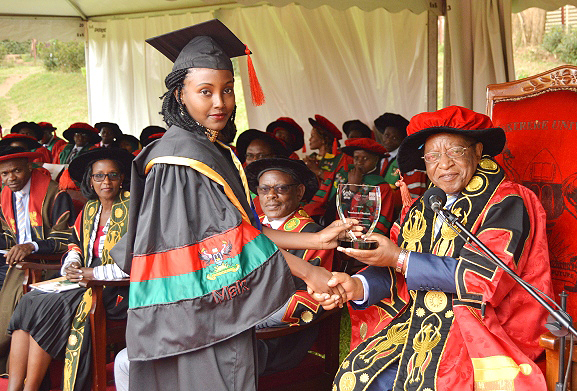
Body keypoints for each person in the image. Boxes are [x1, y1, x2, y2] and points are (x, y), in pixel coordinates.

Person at [110, 19, 350, 391]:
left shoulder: (208, 148)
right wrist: (309, 272)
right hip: (197, 315)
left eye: (227, 90)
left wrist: (317, 241)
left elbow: (242, 230)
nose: (220, 102)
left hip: (207, 308)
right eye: (205, 91)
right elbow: (225, 244)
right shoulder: (181, 159)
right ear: (180, 95)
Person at [314, 106, 553, 391]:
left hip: (481, 328)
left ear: (478, 152)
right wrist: (357, 285)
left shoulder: (507, 203)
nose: (444, 165)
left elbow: (483, 279)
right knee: (356, 377)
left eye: (455, 152)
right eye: (433, 156)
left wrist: (399, 257)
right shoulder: (424, 206)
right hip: (419, 323)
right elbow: (397, 268)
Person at [6, 147, 133, 391]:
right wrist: (73, 263)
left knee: (51, 306)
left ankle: (30, 387)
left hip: (117, 288)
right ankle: (13, 387)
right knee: (30, 301)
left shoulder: (135, 209)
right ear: (90, 180)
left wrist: (92, 273)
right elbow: (75, 244)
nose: (105, 181)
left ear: (122, 178)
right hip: (84, 279)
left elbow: (137, 262)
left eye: (112, 175)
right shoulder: (90, 210)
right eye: (99, 176)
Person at [246, 157, 335, 374]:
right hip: (244, 327)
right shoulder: (251, 228)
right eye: (264, 189)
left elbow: (311, 298)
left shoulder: (313, 234)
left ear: (299, 192)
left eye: (281, 188)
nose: (270, 196)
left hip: (279, 337)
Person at [0, 146, 74, 372]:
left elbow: (66, 238)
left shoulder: (55, 194)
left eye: (16, 171)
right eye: (4, 174)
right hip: (11, 259)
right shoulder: (3, 196)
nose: (11, 178)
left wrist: (31, 246)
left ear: (30, 168)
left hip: (44, 263)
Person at [321, 138, 395, 235]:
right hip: (342, 236)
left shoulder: (382, 187)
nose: (359, 162)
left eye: (365, 158)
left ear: (376, 160)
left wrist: (353, 189)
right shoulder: (347, 179)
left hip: (366, 241)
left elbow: (379, 222)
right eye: (356, 158)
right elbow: (339, 213)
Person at [375, 112, 428, 201]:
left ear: (402, 140)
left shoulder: (411, 161)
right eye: (386, 135)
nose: (388, 140)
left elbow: (413, 194)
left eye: (394, 138)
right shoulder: (381, 158)